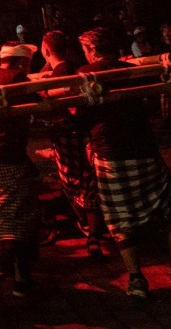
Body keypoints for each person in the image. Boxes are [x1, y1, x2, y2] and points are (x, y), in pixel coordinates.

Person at [73, 29, 171, 298]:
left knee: (120, 218)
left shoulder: (85, 72)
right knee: (168, 203)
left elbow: (82, 116)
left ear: (93, 50)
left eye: (85, 49)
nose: (85, 53)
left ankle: (136, 279)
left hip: (110, 154)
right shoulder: (129, 69)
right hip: (143, 148)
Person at [0, 40, 41, 298]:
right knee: (19, 216)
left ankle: (22, 279)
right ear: (22, 60)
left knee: (15, 211)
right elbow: (40, 103)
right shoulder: (17, 77)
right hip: (6, 158)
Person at [39, 30, 107, 257]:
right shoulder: (62, 68)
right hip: (74, 133)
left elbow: (65, 93)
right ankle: (92, 232)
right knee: (82, 183)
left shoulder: (64, 71)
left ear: (46, 49)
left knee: (78, 184)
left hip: (70, 134)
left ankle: (92, 232)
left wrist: (47, 91)